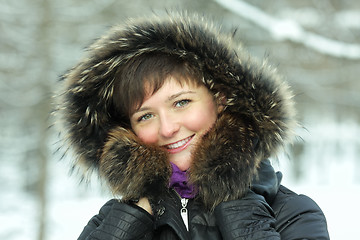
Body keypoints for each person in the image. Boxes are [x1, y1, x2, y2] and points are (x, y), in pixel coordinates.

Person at [56, 12, 329, 239]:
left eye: (181, 102)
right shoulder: (111, 223)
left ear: (221, 99)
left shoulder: (293, 214)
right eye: (145, 116)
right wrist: (131, 221)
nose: (167, 128)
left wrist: (238, 207)